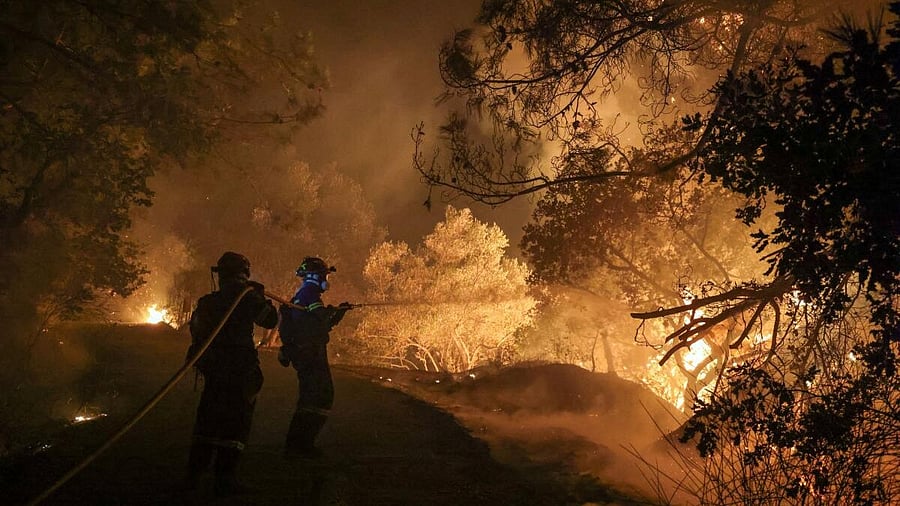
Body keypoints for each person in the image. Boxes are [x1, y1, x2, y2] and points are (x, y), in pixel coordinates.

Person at [182, 251, 278, 496]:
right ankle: (224, 480)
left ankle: (194, 476)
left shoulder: (207, 302)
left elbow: (196, 331)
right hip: (239, 369)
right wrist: (259, 297)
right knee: (235, 422)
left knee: (208, 418)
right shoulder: (247, 298)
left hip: (214, 368)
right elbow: (270, 320)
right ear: (244, 273)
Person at [277, 256, 351, 459]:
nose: (327, 279)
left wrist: (337, 313)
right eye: (325, 275)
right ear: (316, 276)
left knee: (315, 396)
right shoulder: (308, 293)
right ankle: (299, 446)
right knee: (319, 396)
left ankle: (300, 445)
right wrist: (335, 312)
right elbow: (320, 320)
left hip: (309, 352)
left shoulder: (304, 295)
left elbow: (320, 324)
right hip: (309, 353)